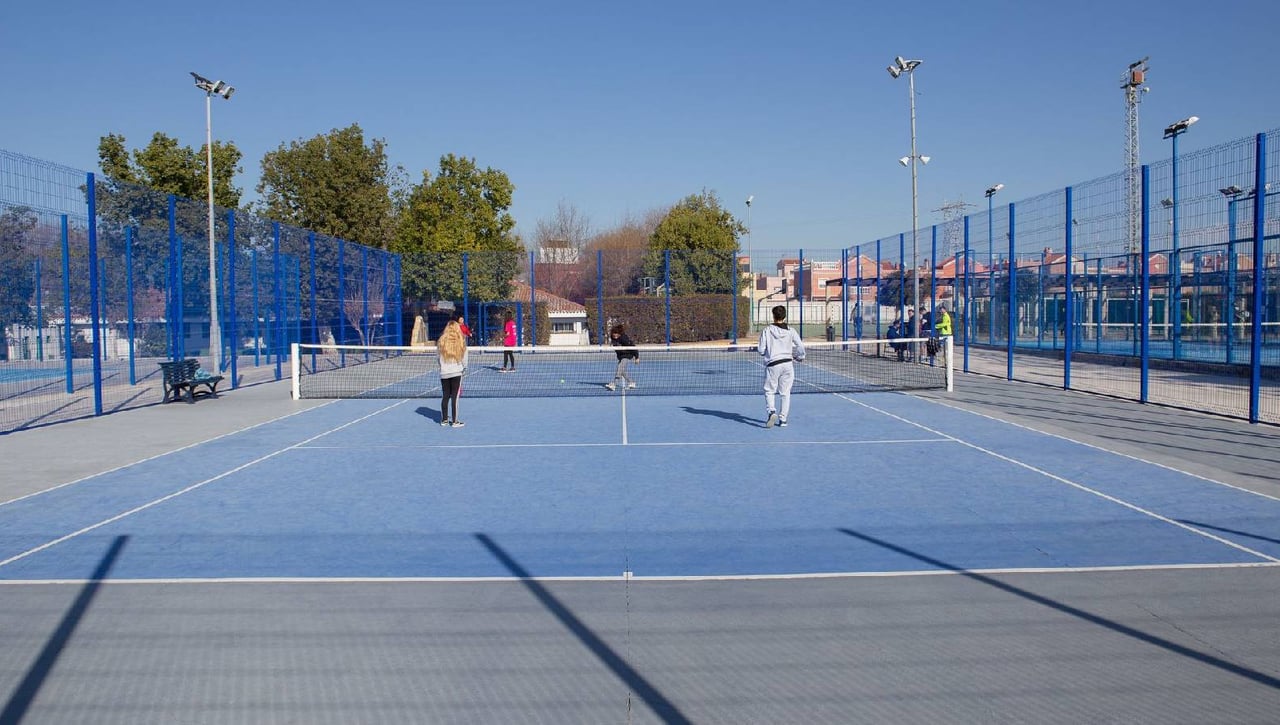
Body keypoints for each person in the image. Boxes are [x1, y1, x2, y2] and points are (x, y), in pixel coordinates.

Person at [758, 305, 805, 428]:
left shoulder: (767, 330)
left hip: (773, 364)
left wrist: (766, 352)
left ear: (773, 316)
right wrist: (800, 357)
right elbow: (800, 346)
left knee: (769, 391)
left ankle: (771, 411)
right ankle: (783, 420)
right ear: (784, 316)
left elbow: (761, 349)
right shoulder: (791, 330)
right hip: (788, 364)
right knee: (785, 393)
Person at [437, 319, 468, 428]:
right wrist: (464, 369)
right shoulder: (461, 341)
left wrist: (442, 367)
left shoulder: (441, 342)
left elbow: (438, 358)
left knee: (445, 395)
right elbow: (464, 359)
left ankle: (444, 420)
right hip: (456, 372)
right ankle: (455, 421)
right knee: (455, 397)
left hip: (444, 373)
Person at [604, 324, 639, 390]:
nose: (615, 336)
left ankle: (614, 384)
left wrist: (637, 357)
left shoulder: (624, 338)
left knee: (619, 368)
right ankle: (631, 382)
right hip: (621, 356)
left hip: (627, 355)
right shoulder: (613, 338)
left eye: (616, 334)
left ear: (619, 334)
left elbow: (633, 347)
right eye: (614, 334)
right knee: (622, 371)